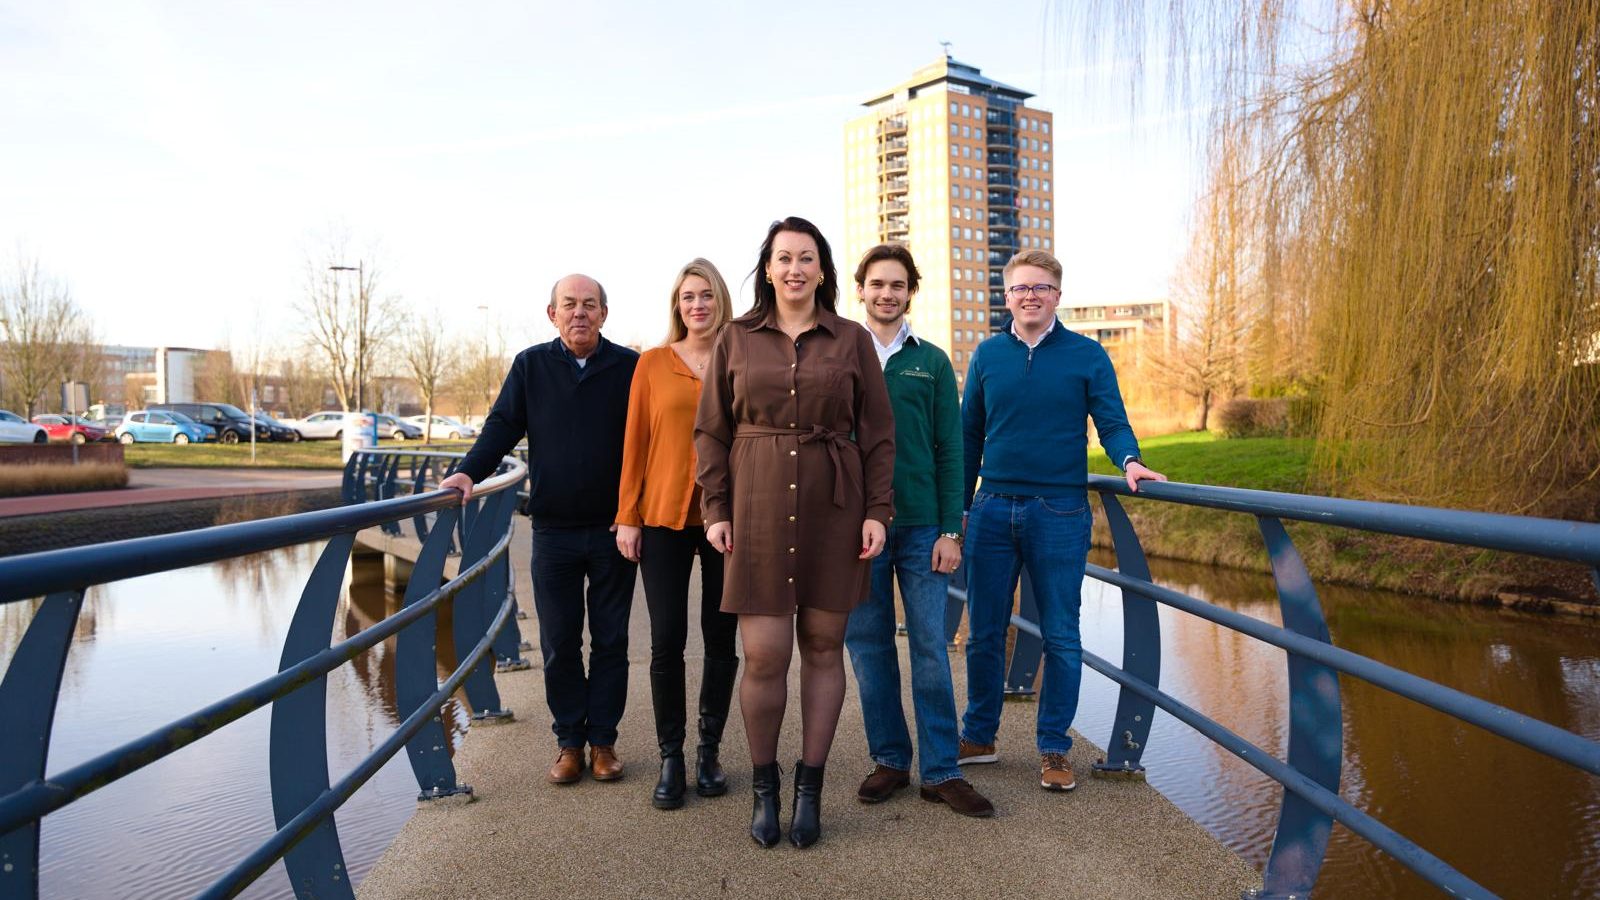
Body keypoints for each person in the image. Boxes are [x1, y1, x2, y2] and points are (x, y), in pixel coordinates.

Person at [694, 216, 895, 849]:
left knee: (822, 644)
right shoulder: (736, 337)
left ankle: (809, 788)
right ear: (768, 268)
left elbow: (880, 434)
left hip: (835, 505)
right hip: (753, 507)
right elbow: (711, 431)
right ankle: (765, 788)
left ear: (823, 270)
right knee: (764, 653)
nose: (795, 269)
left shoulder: (852, 339)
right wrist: (716, 508)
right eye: (784, 258)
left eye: (807, 258)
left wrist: (877, 511)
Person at [958, 249, 1166, 793]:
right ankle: (979, 735)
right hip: (992, 507)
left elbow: (1112, 422)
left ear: (1057, 295)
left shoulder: (1087, 355)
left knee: (1061, 633)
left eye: (1041, 288)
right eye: (1020, 288)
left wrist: (1130, 460)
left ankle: (1054, 747)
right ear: (1005, 296)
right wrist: (954, 512)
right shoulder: (987, 356)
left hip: (1060, 511)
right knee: (983, 631)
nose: (1030, 296)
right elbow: (968, 439)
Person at [441, 274, 640, 786]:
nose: (580, 313)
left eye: (589, 305)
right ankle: (569, 743)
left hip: (614, 530)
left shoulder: (629, 368)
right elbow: (502, 426)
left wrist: (637, 513)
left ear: (604, 313)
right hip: (553, 531)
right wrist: (467, 472)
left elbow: (651, 441)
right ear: (551, 314)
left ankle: (604, 744)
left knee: (612, 641)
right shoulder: (531, 365)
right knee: (558, 641)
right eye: (569, 305)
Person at [842, 243, 994, 818]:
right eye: (877, 284)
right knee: (868, 646)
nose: (887, 293)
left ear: (910, 292)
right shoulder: (841, 357)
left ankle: (941, 771)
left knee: (930, 646)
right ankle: (889, 760)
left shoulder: (928, 361)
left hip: (923, 526)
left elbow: (951, 449)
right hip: (857, 530)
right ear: (860, 289)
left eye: (898, 285)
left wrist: (952, 530)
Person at [614, 258, 740, 811]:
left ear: (720, 302)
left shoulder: (741, 359)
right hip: (662, 516)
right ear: (677, 304)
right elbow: (635, 444)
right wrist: (627, 515)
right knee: (666, 639)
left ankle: (709, 750)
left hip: (727, 519)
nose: (698, 305)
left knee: (721, 636)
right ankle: (671, 755)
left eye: (707, 295)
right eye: (689, 296)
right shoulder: (651, 364)